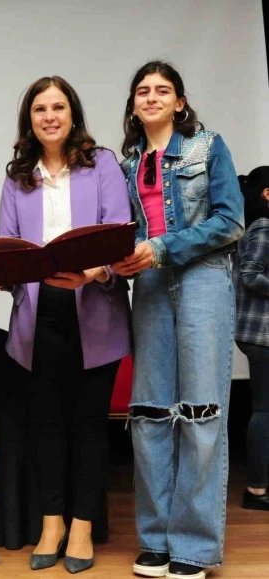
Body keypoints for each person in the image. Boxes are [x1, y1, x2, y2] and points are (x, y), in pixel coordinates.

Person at [0, 76, 131, 574]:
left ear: (73, 114)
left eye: (58, 107)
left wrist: (92, 270)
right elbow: (8, 242)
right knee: (44, 426)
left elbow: (119, 233)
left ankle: (82, 527)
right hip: (36, 316)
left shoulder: (102, 162)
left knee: (88, 427)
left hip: (94, 310)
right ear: (30, 120)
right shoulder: (18, 177)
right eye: (40, 109)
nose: (49, 116)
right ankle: (51, 524)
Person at [112, 61, 244, 579]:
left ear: (180, 101)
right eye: (142, 90)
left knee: (202, 412)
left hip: (203, 281)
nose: (151, 97)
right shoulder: (126, 163)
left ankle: (193, 547)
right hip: (147, 287)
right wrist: (113, 261)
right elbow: (123, 233)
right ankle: (155, 540)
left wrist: (162, 248)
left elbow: (230, 220)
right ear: (133, 104)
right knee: (148, 413)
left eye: (162, 90)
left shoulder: (208, 146)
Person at [234, 166, 269, 512]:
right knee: (264, 411)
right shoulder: (263, 227)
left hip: (259, 333)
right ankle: (257, 491)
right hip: (262, 334)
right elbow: (250, 275)